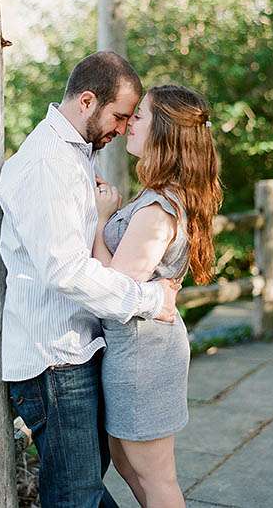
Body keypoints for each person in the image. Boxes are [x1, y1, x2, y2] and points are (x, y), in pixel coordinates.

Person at [0, 51, 180, 508]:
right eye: (119, 116)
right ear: (86, 101)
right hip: (54, 362)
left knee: (81, 494)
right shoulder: (48, 164)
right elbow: (65, 270)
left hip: (76, 352)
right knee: (76, 498)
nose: (123, 129)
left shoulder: (74, 154)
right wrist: (147, 299)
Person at [92, 84, 223, 507]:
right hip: (134, 345)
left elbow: (116, 285)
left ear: (163, 132)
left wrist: (100, 222)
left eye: (140, 116)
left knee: (156, 476)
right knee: (128, 463)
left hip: (143, 351)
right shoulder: (159, 195)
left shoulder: (157, 207)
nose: (129, 123)